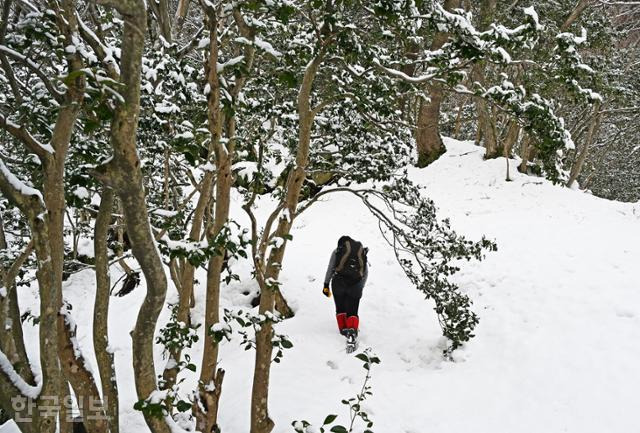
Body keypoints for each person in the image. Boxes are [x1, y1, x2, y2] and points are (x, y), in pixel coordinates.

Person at [322, 235, 368, 337]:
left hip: (338, 283)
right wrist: (360, 286)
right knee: (353, 310)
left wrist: (326, 285)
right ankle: (352, 332)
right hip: (356, 284)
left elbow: (330, 268)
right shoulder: (360, 252)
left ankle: (343, 331)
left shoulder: (338, 250)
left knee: (340, 308)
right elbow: (365, 273)